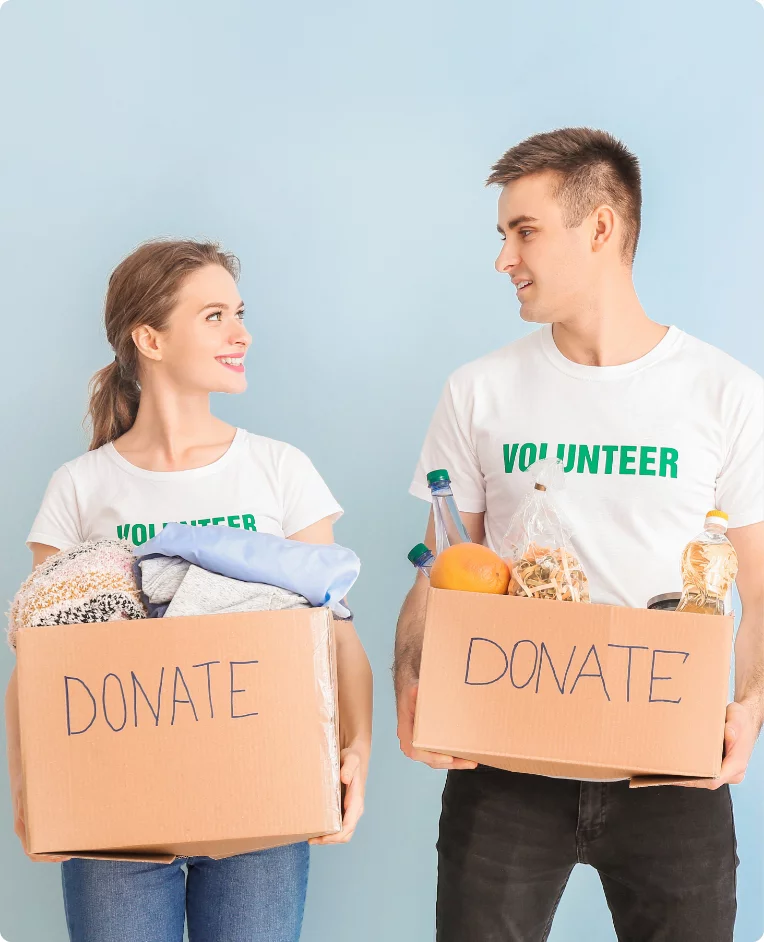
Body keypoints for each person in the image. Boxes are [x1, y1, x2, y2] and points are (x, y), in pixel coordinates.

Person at [394, 127, 764, 942]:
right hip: (506, 769)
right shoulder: (478, 391)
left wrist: (752, 707)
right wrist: (410, 675)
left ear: (599, 229)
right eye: (503, 235)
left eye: (523, 232)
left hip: (673, 770)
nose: (504, 259)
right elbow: (442, 568)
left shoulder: (726, 394)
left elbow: (758, 594)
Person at [5, 239, 373, 942]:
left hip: (262, 791)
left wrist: (358, 750)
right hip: (111, 801)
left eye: (239, 313)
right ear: (150, 338)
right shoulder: (80, 488)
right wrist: (29, 787)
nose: (242, 334)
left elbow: (334, 628)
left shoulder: (278, 470)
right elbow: (41, 662)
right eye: (214, 316)